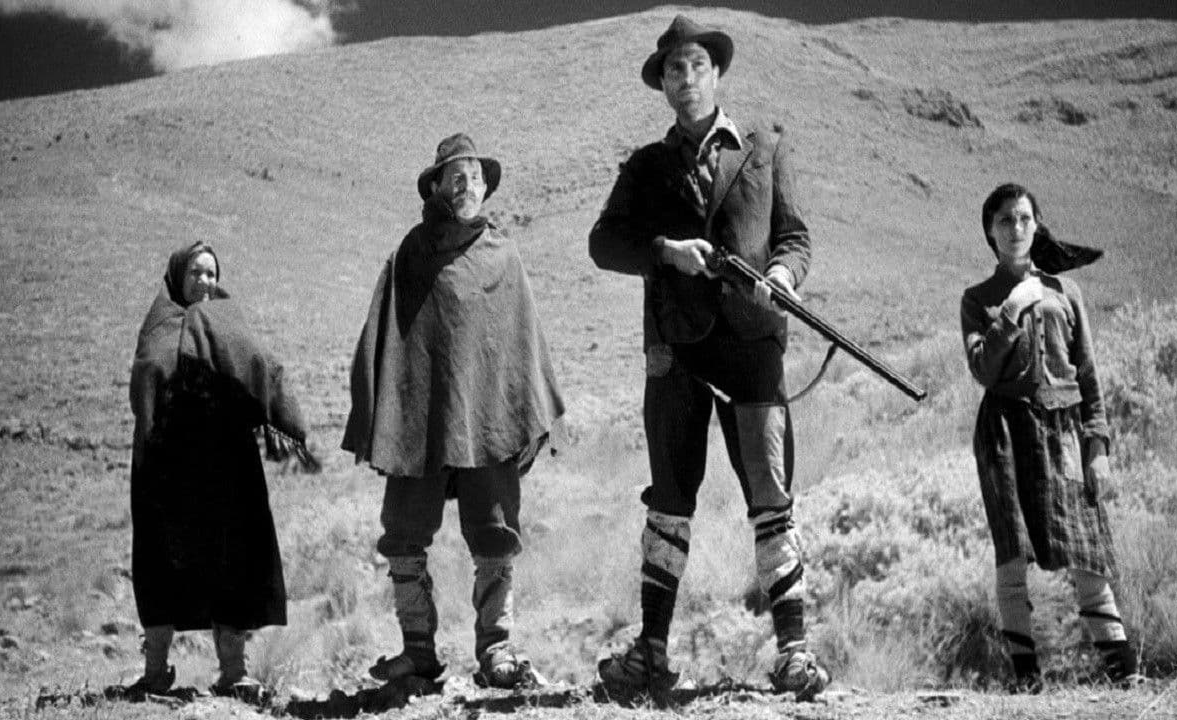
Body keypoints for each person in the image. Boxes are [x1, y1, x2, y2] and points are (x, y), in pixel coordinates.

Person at [587, 14, 827, 699]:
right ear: (663, 84)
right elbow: (604, 244)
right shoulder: (645, 167)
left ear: (716, 73)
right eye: (674, 69)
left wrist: (782, 275)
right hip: (676, 356)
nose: (686, 78)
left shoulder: (764, 149)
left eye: (697, 65)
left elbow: (795, 238)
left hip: (753, 350)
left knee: (771, 498)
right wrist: (665, 251)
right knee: (669, 501)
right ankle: (652, 655)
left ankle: (794, 654)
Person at [342, 133, 564, 691]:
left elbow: (522, 342)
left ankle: (497, 649)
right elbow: (385, 333)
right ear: (437, 187)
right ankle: (417, 651)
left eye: (475, 179)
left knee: (495, 531)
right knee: (404, 533)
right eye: (456, 178)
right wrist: (380, 412)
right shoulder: (411, 255)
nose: (467, 187)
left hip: (489, 418)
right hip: (420, 418)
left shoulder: (502, 255)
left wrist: (528, 407)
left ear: (486, 188)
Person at [961, 183, 1140, 692]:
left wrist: (1098, 447)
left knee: (1085, 548)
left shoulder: (1067, 292)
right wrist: (1011, 312)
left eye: (1023, 218)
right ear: (990, 232)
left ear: (1036, 224)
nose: (1015, 229)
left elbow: (1088, 375)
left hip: (1062, 432)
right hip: (1004, 433)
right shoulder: (977, 300)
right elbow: (983, 370)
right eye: (1004, 221)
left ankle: (1123, 673)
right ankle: (1026, 681)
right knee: (1012, 552)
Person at [127, 241, 316, 702]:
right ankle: (155, 673)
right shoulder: (159, 323)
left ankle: (234, 672)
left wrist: (285, 418)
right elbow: (146, 378)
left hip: (227, 464)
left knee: (232, 561)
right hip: (168, 467)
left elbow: (262, 368)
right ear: (177, 276)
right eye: (196, 272)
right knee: (160, 561)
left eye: (212, 273)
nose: (205, 281)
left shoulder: (230, 321)